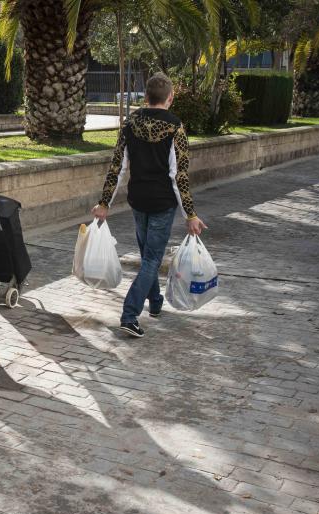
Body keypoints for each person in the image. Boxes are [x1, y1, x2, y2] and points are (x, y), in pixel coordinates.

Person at [93, 72, 207, 338]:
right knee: (152, 260)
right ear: (170, 97)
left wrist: (104, 203)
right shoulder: (175, 127)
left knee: (148, 258)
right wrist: (190, 214)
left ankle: (155, 303)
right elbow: (178, 175)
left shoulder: (130, 123)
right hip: (162, 204)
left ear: (145, 97)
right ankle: (130, 314)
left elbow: (117, 168)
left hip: (138, 200)